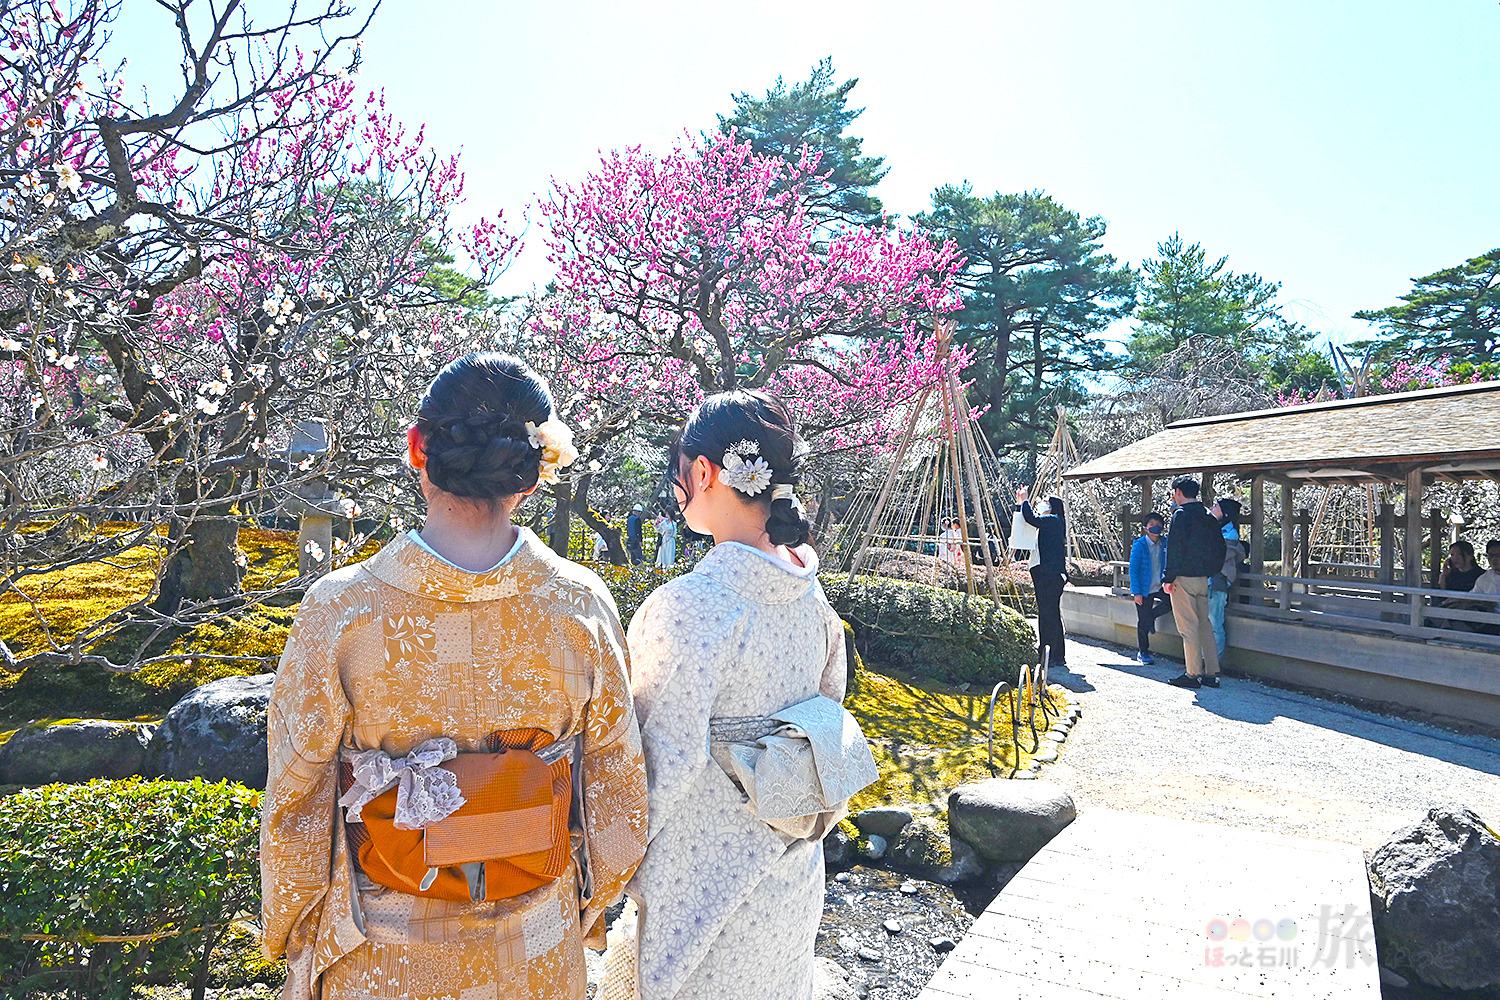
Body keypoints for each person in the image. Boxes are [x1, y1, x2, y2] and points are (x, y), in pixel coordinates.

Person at [260, 352, 649, 1000]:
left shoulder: (344, 608)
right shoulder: (581, 604)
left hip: (386, 959)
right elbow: (617, 785)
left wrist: (295, 932)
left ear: (418, 449)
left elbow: (295, 797)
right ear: (531, 472)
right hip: (536, 952)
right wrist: (586, 901)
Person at [605, 390, 855, 1000]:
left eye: (679, 476)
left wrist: (606, 870)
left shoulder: (690, 608)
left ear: (705, 473)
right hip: (791, 862)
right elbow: (828, 719)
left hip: (701, 875)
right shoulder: (812, 600)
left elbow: (659, 764)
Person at [1162, 475, 1226, 689]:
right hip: (1203, 577)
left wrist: (1168, 577)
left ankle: (1192, 673)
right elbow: (1219, 545)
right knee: (1205, 626)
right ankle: (1212, 673)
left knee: (1188, 627)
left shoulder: (1181, 515)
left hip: (1184, 577)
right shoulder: (1207, 515)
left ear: (1178, 492)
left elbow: (1175, 548)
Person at [1017, 486, 1068, 671]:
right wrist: (1021, 504)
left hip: (1051, 574)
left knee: (1049, 614)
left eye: (1046, 501)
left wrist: (1025, 500)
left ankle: (1053, 654)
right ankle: (1048, 652)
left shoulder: (1053, 520)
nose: (1042, 503)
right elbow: (1026, 521)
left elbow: (1032, 518)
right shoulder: (1048, 522)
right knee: (1047, 613)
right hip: (1043, 572)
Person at [1128, 512, 1171, 664]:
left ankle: (1152, 617)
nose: (1155, 527)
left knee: (1170, 604)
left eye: (1158, 524)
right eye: (1151, 525)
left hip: (1162, 585)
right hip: (1145, 588)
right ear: (1145, 528)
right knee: (1142, 621)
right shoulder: (1140, 544)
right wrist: (1136, 592)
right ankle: (1143, 651)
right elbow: (1133, 569)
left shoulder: (1166, 543)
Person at [1208, 497, 1247, 661]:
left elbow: (1217, 556)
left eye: (1216, 506)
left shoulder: (1230, 534)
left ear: (1224, 513)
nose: (1212, 507)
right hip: (1207, 580)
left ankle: (1214, 663)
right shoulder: (1212, 528)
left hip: (1218, 581)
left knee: (1215, 623)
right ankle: (1204, 661)